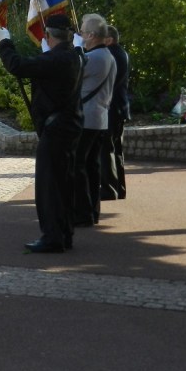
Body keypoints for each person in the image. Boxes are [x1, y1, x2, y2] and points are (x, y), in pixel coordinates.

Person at [0, 14, 83, 253]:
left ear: (47, 36)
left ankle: (53, 237)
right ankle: (64, 233)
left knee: (49, 186)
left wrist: (5, 42)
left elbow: (17, 66)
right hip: (67, 126)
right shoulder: (73, 55)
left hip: (56, 130)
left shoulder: (58, 59)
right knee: (63, 184)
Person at [72, 13, 116, 227]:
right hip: (98, 117)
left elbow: (74, 73)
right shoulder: (106, 55)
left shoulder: (96, 57)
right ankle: (91, 210)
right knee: (90, 166)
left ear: (90, 35)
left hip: (88, 117)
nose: (79, 35)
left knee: (78, 165)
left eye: (81, 32)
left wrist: (74, 50)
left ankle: (83, 212)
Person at [99, 25, 130, 199]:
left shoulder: (111, 55)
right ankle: (119, 187)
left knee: (107, 149)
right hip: (119, 108)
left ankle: (109, 187)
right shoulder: (121, 53)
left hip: (111, 108)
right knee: (116, 149)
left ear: (109, 40)